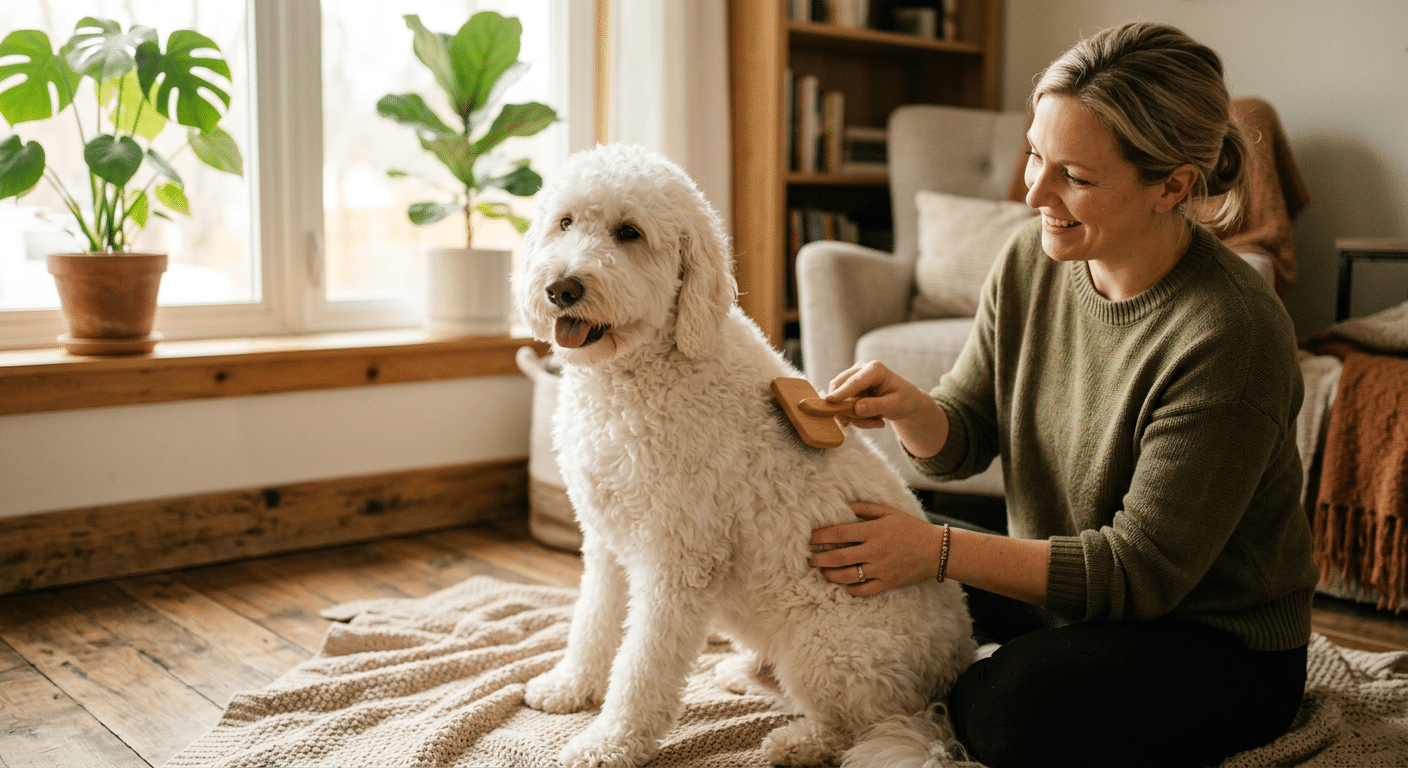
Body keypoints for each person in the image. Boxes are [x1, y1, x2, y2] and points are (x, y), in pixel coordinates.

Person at [807, 21, 1318, 768]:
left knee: (1007, 709)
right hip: (1064, 594)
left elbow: (1137, 575)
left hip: (1209, 640)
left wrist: (937, 553)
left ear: (1172, 185)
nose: (1033, 191)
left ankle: (965, 694)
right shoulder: (1031, 258)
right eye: (1036, 156)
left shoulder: (1230, 335)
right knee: (844, 542)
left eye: (1073, 176)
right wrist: (916, 410)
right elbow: (965, 438)